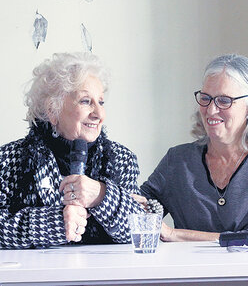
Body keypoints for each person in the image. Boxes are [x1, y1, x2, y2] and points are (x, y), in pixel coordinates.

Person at [139, 54, 248, 241]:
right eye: (206, 98)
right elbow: (134, 211)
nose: (211, 110)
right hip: (189, 271)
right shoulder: (178, 160)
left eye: (224, 100)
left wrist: (174, 234)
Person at [0, 52, 146, 249]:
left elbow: (141, 229)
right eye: (86, 101)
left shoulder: (122, 159)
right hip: (36, 277)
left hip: (105, 277)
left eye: (101, 102)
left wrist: (102, 196)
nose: (98, 114)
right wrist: (54, 222)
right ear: (53, 110)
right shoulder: (10, 160)